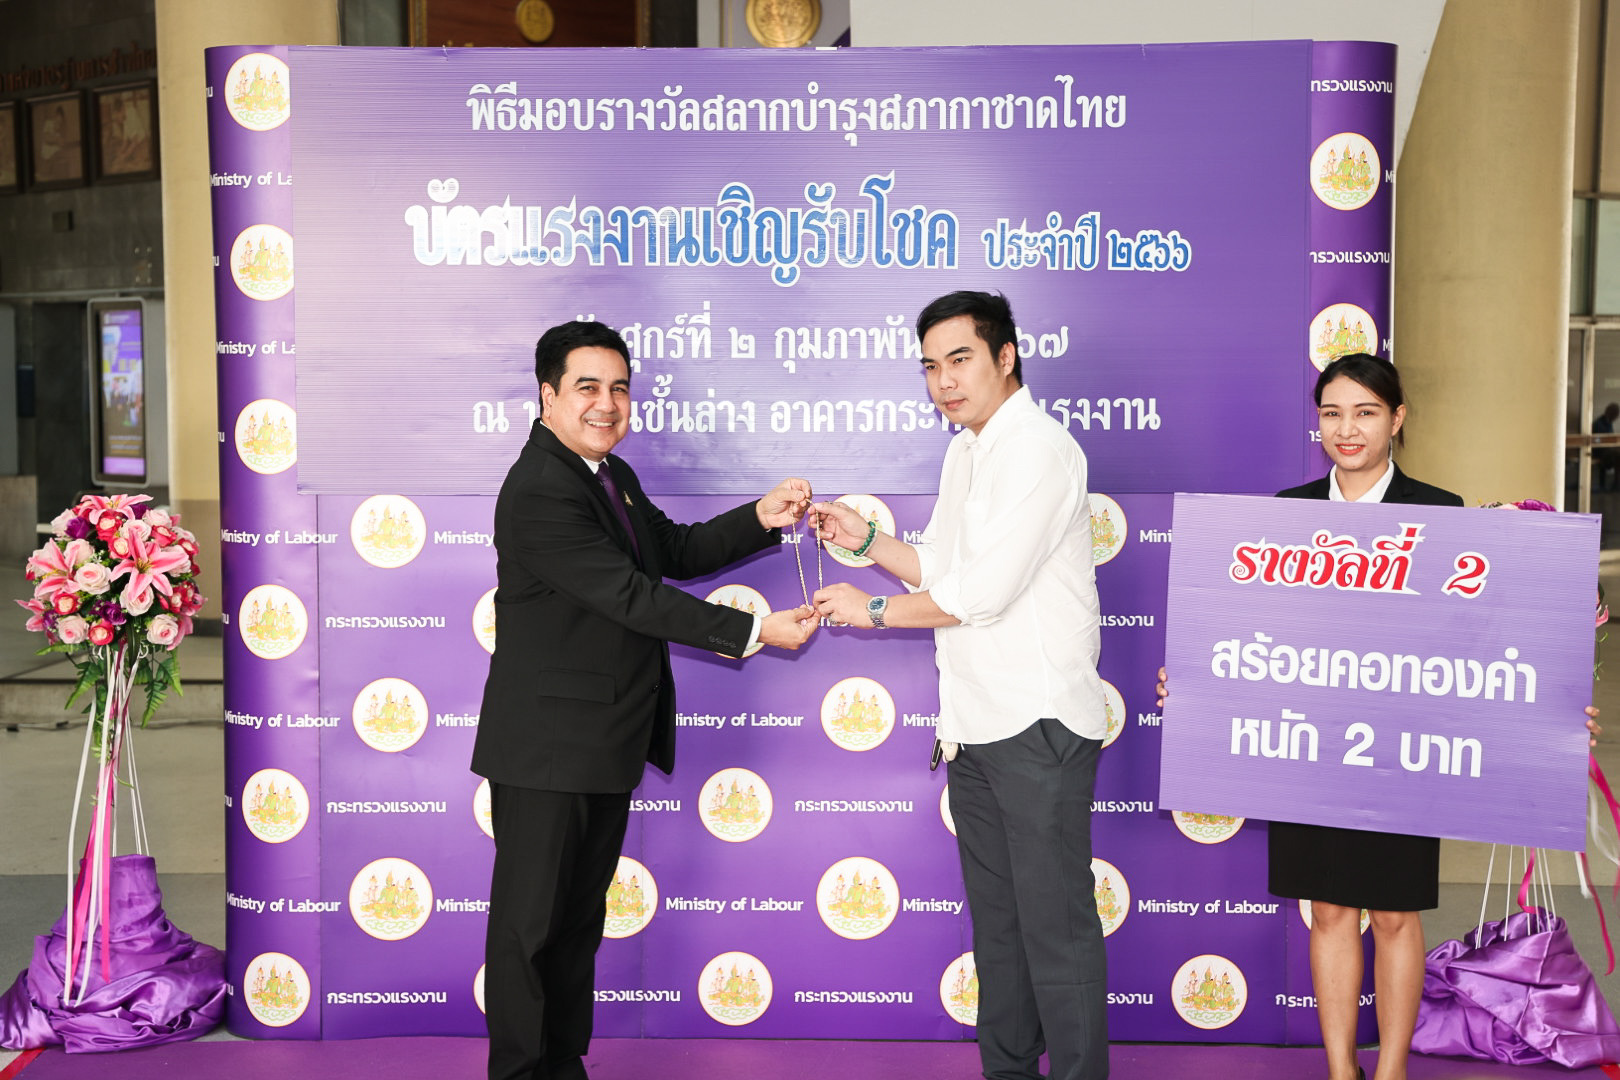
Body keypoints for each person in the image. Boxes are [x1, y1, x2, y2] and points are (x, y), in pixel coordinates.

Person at [1154, 352, 1601, 1080]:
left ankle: (1389, 1070)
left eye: (1365, 412)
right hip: (1308, 746)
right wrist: (1202, 682)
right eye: (1332, 413)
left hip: (1402, 749)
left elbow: (1481, 642)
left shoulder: (1440, 512)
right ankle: (1342, 1069)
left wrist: (1548, 708)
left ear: (1397, 419)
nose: (1347, 429)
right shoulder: (1288, 512)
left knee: (1393, 915)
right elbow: (1255, 631)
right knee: (1330, 910)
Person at [473, 319, 818, 1080]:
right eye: (587, 387)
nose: (607, 403)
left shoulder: (608, 474)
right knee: (530, 930)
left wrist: (759, 516)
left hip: (600, 740)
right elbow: (629, 596)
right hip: (544, 748)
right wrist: (752, 629)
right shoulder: (539, 488)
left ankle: (561, 1066)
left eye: (619, 388)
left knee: (575, 925)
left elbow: (677, 551)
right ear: (548, 396)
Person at [811, 290, 1109, 1080]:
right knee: (1001, 931)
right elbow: (942, 567)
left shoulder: (1039, 449)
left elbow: (982, 595)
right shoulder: (966, 451)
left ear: (1005, 357)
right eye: (930, 366)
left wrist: (872, 610)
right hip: (973, 727)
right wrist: (868, 542)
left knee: (1056, 930)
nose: (944, 380)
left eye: (960, 359)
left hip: (1037, 723)